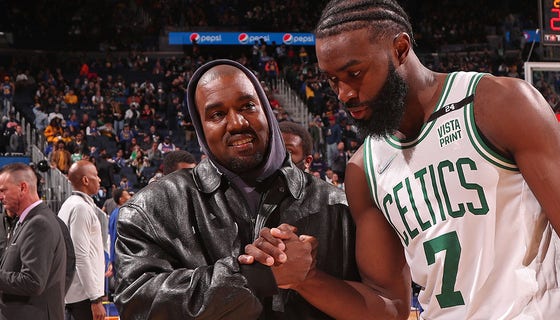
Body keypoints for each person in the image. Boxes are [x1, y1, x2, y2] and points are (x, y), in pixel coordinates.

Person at [251, 1, 560, 319]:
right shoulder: (364, 168)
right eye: (332, 81)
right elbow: (390, 306)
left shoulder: (496, 104)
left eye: (355, 73)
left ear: (400, 49)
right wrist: (306, 277)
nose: (345, 94)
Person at [113, 59, 359, 319]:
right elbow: (137, 305)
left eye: (247, 106)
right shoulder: (150, 208)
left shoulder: (338, 205)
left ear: (266, 110)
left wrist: (310, 278)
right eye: (217, 114)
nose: (237, 123)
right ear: (200, 127)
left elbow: (377, 304)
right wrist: (254, 277)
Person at [0, 163, 67, 320]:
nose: (0, 196)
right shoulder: (27, 220)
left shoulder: (39, 223)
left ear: (23, 188)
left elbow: (33, 281)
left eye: (3, 190)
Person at [58, 160, 106, 320]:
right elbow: (80, 256)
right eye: (96, 176)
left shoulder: (68, 204)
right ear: (85, 180)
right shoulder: (81, 208)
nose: (99, 180)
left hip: (74, 292)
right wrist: (95, 298)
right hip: (84, 296)